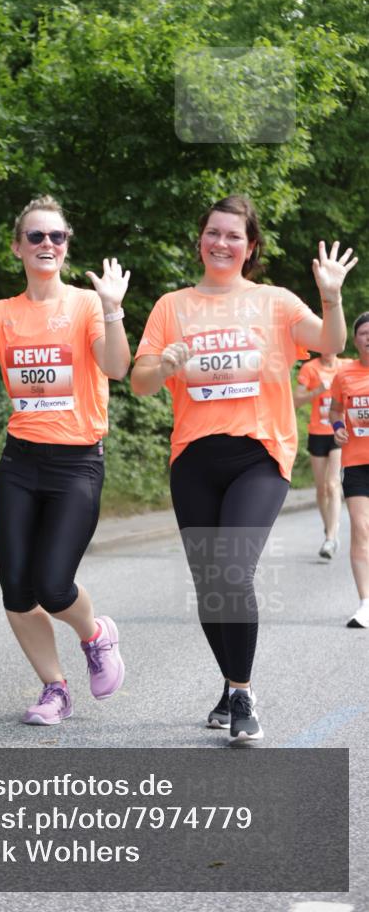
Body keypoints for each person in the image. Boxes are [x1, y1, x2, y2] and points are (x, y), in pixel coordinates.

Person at [131, 195, 357, 744]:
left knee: (233, 571)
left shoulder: (274, 301)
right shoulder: (172, 306)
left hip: (259, 454)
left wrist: (331, 297)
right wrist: (164, 364)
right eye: (214, 232)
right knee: (210, 586)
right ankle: (230, 682)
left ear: (250, 246)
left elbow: (331, 342)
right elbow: (139, 382)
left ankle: (242, 691)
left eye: (234, 235)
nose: (222, 243)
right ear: (200, 240)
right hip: (193, 458)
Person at [0, 195, 129, 725]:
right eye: (37, 236)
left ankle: (95, 634)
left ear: (67, 246)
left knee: (53, 585)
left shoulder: (87, 305)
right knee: (18, 591)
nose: (48, 244)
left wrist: (113, 310)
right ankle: (55, 689)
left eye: (57, 236)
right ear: (18, 247)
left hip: (77, 463)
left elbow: (116, 366)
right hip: (20, 464)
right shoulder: (1, 313)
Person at [329, 312, 369, 628]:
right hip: (355, 462)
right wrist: (338, 428)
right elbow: (335, 411)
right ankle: (365, 604)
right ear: (355, 340)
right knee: (361, 527)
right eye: (364, 333)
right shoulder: (343, 376)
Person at [294, 352, 348, 558]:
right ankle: (329, 530)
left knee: (333, 484)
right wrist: (317, 391)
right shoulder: (310, 368)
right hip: (317, 433)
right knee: (321, 489)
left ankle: (331, 539)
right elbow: (295, 401)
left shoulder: (346, 366)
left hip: (338, 432)